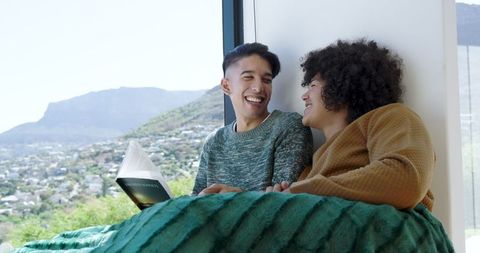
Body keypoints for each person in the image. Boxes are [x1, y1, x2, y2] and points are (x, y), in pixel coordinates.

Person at [268, 39, 435, 210]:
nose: (304, 96)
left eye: (313, 86)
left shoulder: (392, 117)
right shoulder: (311, 169)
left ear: (340, 86)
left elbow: (405, 180)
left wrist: (301, 192)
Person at [192, 42, 313, 195]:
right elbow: (195, 200)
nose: (258, 88)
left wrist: (236, 197)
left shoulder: (289, 127)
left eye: (266, 80)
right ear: (226, 86)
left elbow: (283, 202)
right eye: (248, 77)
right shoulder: (214, 142)